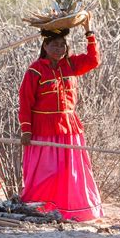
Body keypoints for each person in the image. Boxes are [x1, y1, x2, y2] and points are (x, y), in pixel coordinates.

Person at [18, 12, 104, 221]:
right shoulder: (35, 71)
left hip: (69, 129)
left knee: (71, 172)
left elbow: (94, 60)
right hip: (43, 131)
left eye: (62, 45)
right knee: (46, 173)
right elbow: (25, 102)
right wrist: (26, 130)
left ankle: (73, 210)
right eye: (54, 45)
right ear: (45, 47)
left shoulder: (71, 66)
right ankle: (40, 209)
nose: (59, 49)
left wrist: (88, 29)